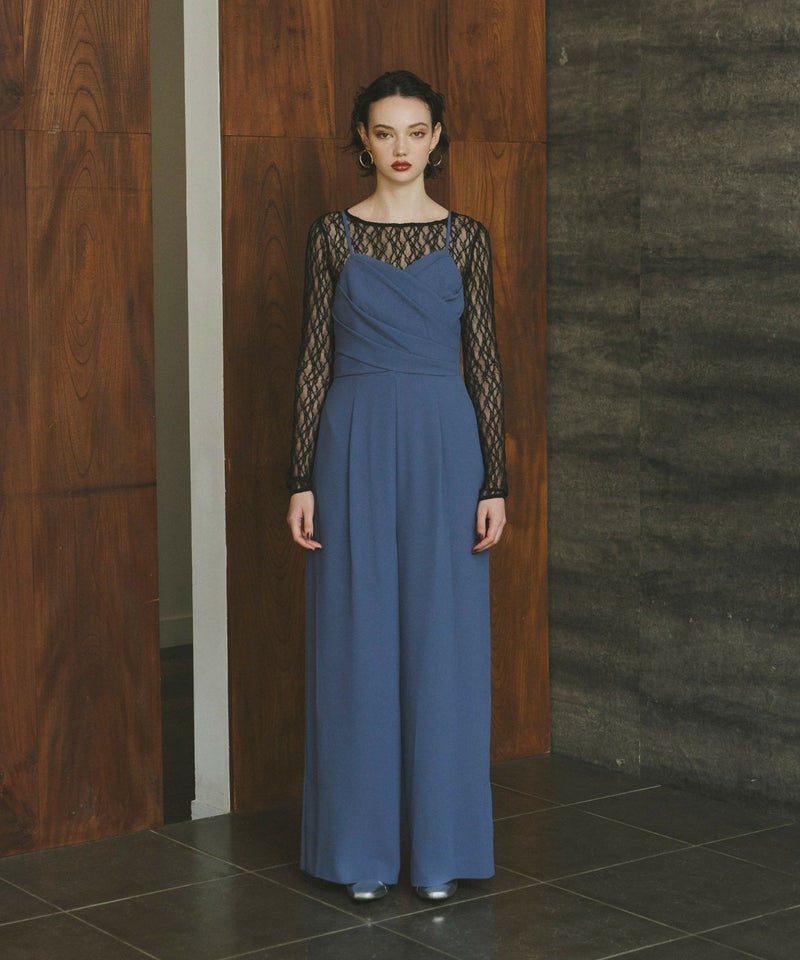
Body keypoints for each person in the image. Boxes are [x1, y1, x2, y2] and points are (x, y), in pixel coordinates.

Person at [287, 70, 507, 903]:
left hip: (446, 444)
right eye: (385, 132)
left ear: (438, 138)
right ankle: (362, 852)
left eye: (416, 132)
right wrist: (299, 476)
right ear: (363, 139)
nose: (402, 148)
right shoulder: (331, 236)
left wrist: (495, 480)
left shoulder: (469, 238)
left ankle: (441, 851)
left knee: (445, 641)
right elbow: (313, 362)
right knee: (357, 635)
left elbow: (486, 365)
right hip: (351, 443)